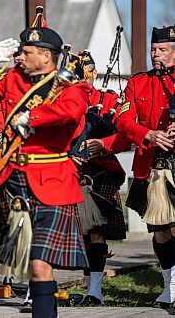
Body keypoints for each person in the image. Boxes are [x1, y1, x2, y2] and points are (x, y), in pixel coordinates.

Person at [0, 25, 90, 318]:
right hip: (17, 182)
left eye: (27, 52)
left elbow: (71, 112)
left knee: (38, 264)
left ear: (46, 57)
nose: (19, 57)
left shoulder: (75, 86)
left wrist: (32, 116)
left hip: (53, 182)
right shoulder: (12, 79)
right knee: (32, 268)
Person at [116, 25, 175, 313]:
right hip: (151, 165)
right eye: (153, 49)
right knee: (161, 230)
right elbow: (123, 120)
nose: (155, 54)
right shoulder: (138, 83)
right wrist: (147, 133)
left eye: (162, 50)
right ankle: (168, 286)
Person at [69, 51, 131, 305]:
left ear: (95, 74)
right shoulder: (62, 100)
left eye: (85, 76)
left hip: (101, 170)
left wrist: (102, 144)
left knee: (96, 232)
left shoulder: (109, 100)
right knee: (80, 234)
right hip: (70, 171)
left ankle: (95, 292)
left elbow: (127, 137)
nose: (81, 81)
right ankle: (88, 289)